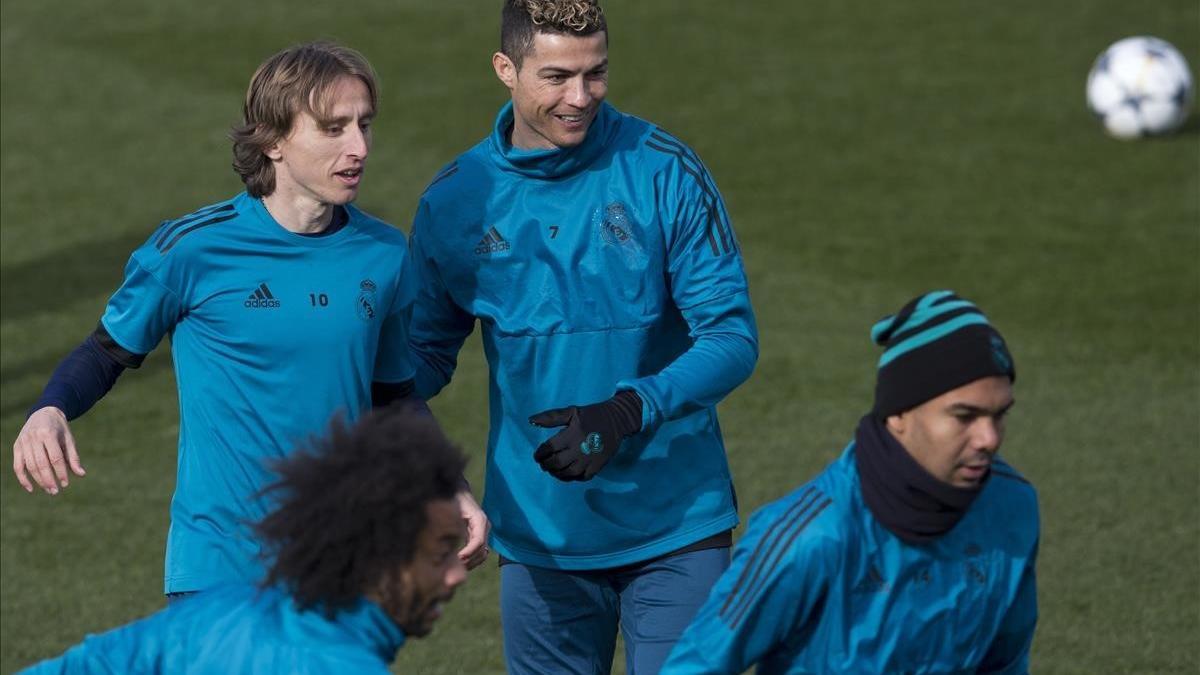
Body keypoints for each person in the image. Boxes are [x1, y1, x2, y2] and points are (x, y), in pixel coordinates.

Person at [10, 41, 488, 597]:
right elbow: (105, 352)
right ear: (274, 140)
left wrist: (452, 486)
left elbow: (395, 396)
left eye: (364, 125)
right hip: (221, 571)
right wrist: (50, 408)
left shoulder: (382, 255)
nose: (358, 147)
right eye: (334, 129)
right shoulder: (192, 250)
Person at [407, 1, 758, 672]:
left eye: (596, 74)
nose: (581, 97)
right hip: (542, 540)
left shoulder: (665, 172)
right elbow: (418, 359)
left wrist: (627, 410)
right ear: (505, 69)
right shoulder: (457, 200)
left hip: (677, 528)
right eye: (558, 76)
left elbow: (732, 337)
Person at [662, 290, 1039, 674]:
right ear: (899, 414)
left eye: (999, 415)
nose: (989, 438)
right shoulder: (810, 537)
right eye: (965, 416)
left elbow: (1005, 661)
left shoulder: (1012, 506)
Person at [20, 406, 469, 674]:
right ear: (376, 557)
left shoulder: (225, 612)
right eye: (440, 553)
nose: (457, 575)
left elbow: (91, 665)